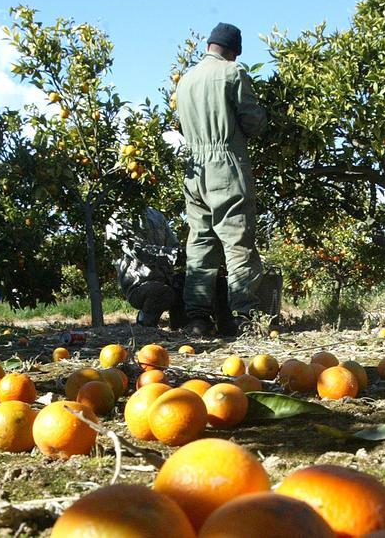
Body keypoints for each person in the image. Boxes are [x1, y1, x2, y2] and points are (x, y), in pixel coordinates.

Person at [176, 22, 267, 336]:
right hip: (224, 162)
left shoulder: (185, 80)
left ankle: (197, 318)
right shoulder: (233, 73)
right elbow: (253, 122)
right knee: (237, 237)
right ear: (233, 51)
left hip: (193, 168)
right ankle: (244, 316)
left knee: (200, 240)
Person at [105, 207, 185, 328]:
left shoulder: (156, 215)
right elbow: (139, 252)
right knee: (161, 292)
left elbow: (174, 245)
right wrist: (174, 255)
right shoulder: (117, 219)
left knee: (191, 285)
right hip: (139, 284)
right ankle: (145, 323)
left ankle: (182, 328)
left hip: (166, 279)